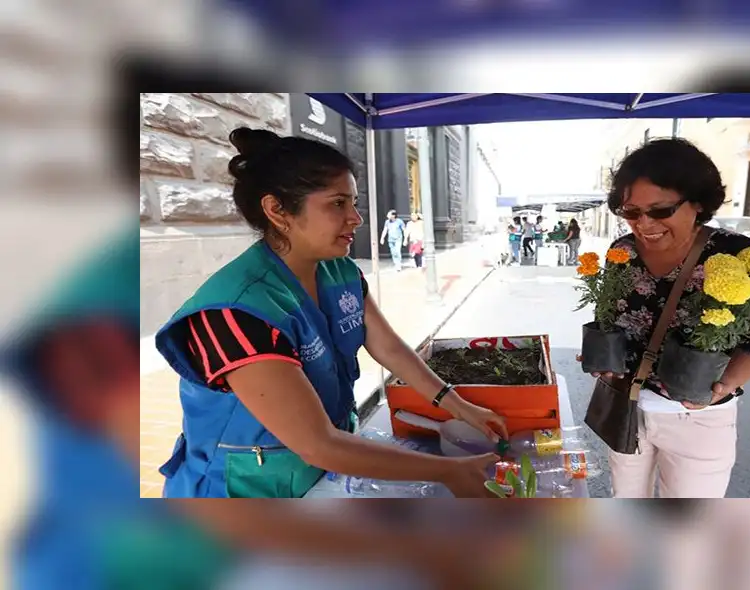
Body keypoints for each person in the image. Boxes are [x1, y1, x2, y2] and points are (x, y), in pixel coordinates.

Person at [154, 128, 507, 498]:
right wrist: (448, 471)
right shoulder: (236, 312)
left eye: (354, 203)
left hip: (324, 476)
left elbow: (388, 348)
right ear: (277, 210)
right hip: (244, 491)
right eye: (338, 204)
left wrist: (459, 406)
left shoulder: (340, 272)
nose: (355, 217)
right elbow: (317, 443)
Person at [581, 138, 750, 498]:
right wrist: (603, 356)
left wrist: (722, 387)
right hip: (624, 405)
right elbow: (611, 316)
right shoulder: (624, 251)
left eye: (660, 211)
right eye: (631, 212)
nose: (644, 224)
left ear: (697, 203)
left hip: (697, 419)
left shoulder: (737, 254)